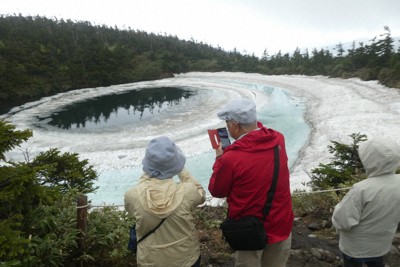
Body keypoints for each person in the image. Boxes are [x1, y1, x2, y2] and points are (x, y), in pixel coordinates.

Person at [208, 98, 294, 267]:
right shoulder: (278, 140)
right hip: (280, 222)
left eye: (227, 123)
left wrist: (219, 158)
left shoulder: (230, 158)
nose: (227, 127)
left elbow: (217, 190)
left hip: (248, 231)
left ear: (235, 126)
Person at [124, 136, 206, 267]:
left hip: (150, 261)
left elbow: (132, 212)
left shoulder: (132, 196)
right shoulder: (187, 192)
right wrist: (180, 168)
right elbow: (200, 193)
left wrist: (150, 169)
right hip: (187, 259)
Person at [332, 137, 400, 267]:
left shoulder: (361, 189)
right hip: (381, 245)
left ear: (369, 160)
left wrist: (337, 209)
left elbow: (343, 221)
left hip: (355, 249)